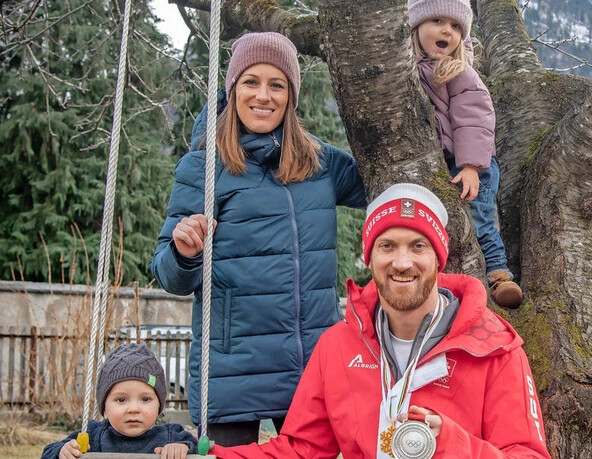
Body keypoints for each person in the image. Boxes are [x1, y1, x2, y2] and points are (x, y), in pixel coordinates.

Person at [210, 183, 550, 458]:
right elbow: (302, 450)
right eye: (387, 246)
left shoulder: (494, 349)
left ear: (439, 258)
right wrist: (210, 456)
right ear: (369, 258)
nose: (402, 263)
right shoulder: (338, 345)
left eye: (418, 246)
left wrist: (453, 446)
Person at [150, 32, 367, 446]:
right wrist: (184, 252)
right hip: (231, 373)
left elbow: (388, 179)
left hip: (310, 369)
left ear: (292, 96)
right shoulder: (204, 168)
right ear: (232, 90)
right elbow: (170, 277)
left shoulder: (320, 164)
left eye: (277, 84)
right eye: (251, 82)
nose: (263, 96)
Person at [407, 0, 523, 309]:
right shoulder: (410, 71)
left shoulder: (458, 73)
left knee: (479, 217)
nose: (447, 30)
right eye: (437, 21)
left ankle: (499, 274)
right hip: (447, 162)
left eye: (456, 26)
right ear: (415, 27)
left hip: (473, 164)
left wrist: (471, 166)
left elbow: (475, 120)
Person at [42, 343, 197, 459]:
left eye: (145, 399)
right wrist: (63, 451)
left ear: (159, 405)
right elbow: (48, 452)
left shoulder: (170, 436)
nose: (134, 408)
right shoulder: (92, 435)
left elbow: (196, 448)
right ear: (104, 408)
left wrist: (181, 448)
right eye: (121, 400)